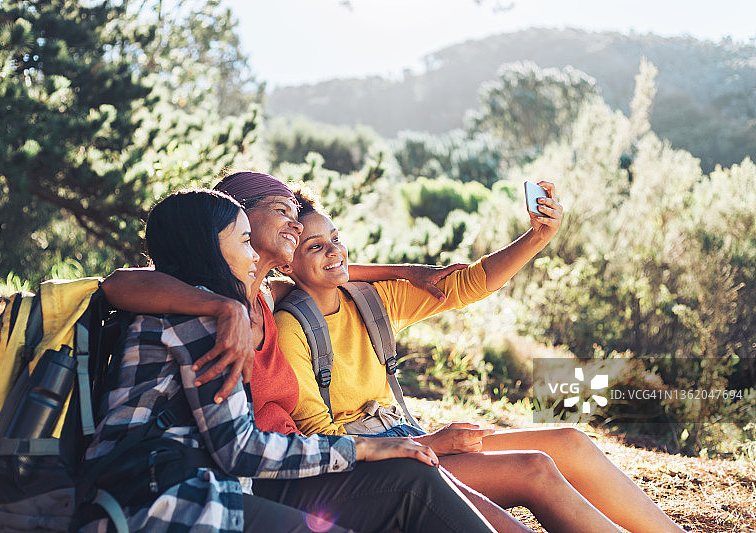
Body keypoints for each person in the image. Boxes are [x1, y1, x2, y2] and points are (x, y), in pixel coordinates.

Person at [95, 184, 521, 532]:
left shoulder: (257, 299)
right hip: (173, 495)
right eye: (246, 238)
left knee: (421, 481)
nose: (294, 225)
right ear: (213, 243)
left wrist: (408, 270)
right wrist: (368, 449)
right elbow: (240, 451)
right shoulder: (204, 316)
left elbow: (327, 269)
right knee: (416, 484)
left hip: (225, 479)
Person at [273, 183, 688, 533]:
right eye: (315, 246)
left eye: (336, 238)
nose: (335, 251)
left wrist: (538, 237)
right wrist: (431, 441)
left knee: (570, 442)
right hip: (379, 466)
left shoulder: (370, 299)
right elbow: (322, 441)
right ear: (287, 260)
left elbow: (466, 284)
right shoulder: (292, 329)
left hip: (408, 436)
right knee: (535, 470)